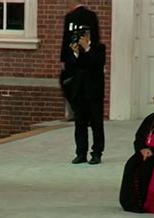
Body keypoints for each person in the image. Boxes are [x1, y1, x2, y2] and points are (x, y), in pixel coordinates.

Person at [62, 25, 106, 165]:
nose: (80, 38)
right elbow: (70, 68)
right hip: (79, 92)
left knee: (96, 125)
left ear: (88, 36)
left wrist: (87, 49)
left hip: (94, 93)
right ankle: (81, 153)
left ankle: (97, 153)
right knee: (79, 125)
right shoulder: (74, 49)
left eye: (82, 35)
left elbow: (97, 64)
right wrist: (75, 54)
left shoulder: (99, 48)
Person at [60, 0, 100, 122]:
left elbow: (66, 38)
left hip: (73, 56)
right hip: (87, 56)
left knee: (69, 83)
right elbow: (96, 37)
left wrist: (63, 58)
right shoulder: (91, 16)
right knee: (86, 84)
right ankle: (88, 114)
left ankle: (75, 113)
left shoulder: (70, 17)